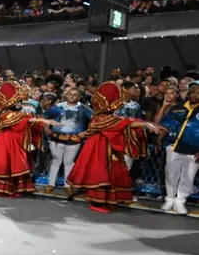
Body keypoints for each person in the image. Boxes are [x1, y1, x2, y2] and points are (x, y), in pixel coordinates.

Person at [66, 82, 164, 213]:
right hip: (99, 150)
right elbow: (123, 123)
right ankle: (98, 201)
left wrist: (147, 123)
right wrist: (145, 124)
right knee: (100, 174)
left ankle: (109, 199)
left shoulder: (106, 117)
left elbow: (124, 121)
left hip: (108, 149)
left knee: (112, 172)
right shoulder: (100, 118)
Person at [0, 81, 55, 197]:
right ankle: (7, 189)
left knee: (16, 164)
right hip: (8, 142)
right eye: (18, 102)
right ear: (11, 103)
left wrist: (41, 121)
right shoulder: (6, 114)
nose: (20, 103)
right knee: (10, 164)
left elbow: (26, 120)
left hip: (17, 141)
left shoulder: (17, 113)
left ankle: (15, 189)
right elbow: (23, 120)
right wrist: (41, 120)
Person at [156, 80, 199, 215]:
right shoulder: (178, 108)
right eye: (192, 92)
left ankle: (180, 201)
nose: (194, 95)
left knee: (188, 177)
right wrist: (159, 140)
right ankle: (169, 198)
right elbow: (166, 125)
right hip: (173, 146)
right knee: (171, 174)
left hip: (194, 150)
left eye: (197, 92)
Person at [44, 87, 92, 194]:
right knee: (56, 161)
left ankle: (67, 185)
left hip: (74, 141)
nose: (71, 96)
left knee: (69, 162)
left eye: (74, 94)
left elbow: (95, 122)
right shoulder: (58, 107)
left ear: (79, 97)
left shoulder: (85, 109)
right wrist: (47, 128)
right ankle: (51, 184)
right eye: (69, 94)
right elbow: (45, 117)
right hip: (56, 139)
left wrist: (86, 132)